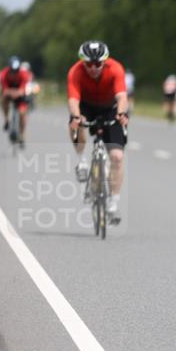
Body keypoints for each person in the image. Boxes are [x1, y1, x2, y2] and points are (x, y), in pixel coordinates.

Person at [67, 40, 130, 224]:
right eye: (89, 64)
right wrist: (77, 117)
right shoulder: (75, 72)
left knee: (117, 157)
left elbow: (122, 97)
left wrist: (121, 112)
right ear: (82, 62)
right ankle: (82, 161)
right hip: (86, 106)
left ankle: (113, 203)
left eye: (98, 64)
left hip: (111, 108)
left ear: (105, 61)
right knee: (74, 124)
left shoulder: (116, 69)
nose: (93, 68)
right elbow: (73, 100)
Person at [0, 56, 32, 147]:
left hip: (20, 95)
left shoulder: (24, 74)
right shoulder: (3, 74)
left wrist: (16, 93)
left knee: (22, 113)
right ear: (8, 69)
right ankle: (6, 119)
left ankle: (22, 135)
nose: (14, 73)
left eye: (16, 71)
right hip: (9, 93)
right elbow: (5, 91)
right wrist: (12, 93)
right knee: (4, 99)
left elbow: (22, 90)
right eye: (12, 71)